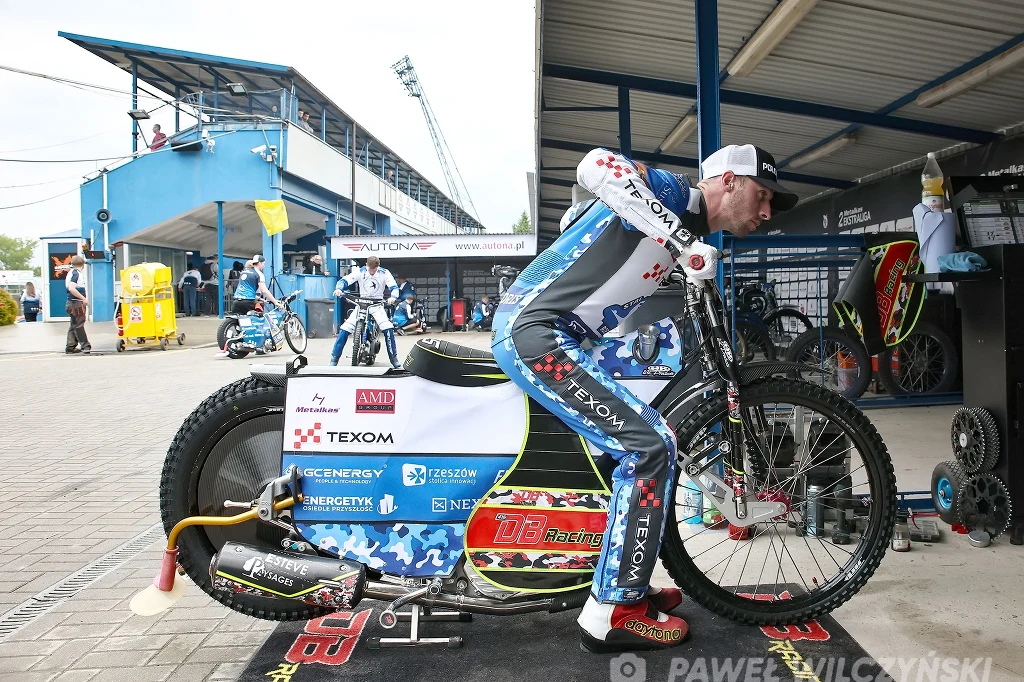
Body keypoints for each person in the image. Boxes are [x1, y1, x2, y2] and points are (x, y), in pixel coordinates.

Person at [490, 144, 797, 653]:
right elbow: (594, 166)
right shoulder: (674, 195)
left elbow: (580, 224)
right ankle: (613, 612)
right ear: (728, 181)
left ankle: (622, 574)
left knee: (634, 439)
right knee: (650, 446)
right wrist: (682, 242)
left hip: (566, 337)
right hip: (538, 334)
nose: (766, 212)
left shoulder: (681, 223)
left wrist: (682, 245)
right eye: (762, 196)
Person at [329, 255, 402, 368]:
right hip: (361, 304)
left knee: (388, 328)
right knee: (345, 329)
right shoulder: (360, 271)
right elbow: (345, 280)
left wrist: (393, 297)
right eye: (370, 269)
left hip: (377, 305)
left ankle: (394, 359)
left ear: (378, 266)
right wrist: (339, 289)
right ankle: (334, 358)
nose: (372, 272)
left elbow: (394, 287)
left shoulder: (384, 273)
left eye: (374, 270)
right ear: (366, 265)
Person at [65, 255, 91, 354]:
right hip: (76, 304)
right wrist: (84, 299)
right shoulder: (76, 274)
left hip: (71, 303)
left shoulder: (70, 272)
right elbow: (72, 288)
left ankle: (70, 346)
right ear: (83, 265)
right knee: (79, 325)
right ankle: (85, 346)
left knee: (74, 324)